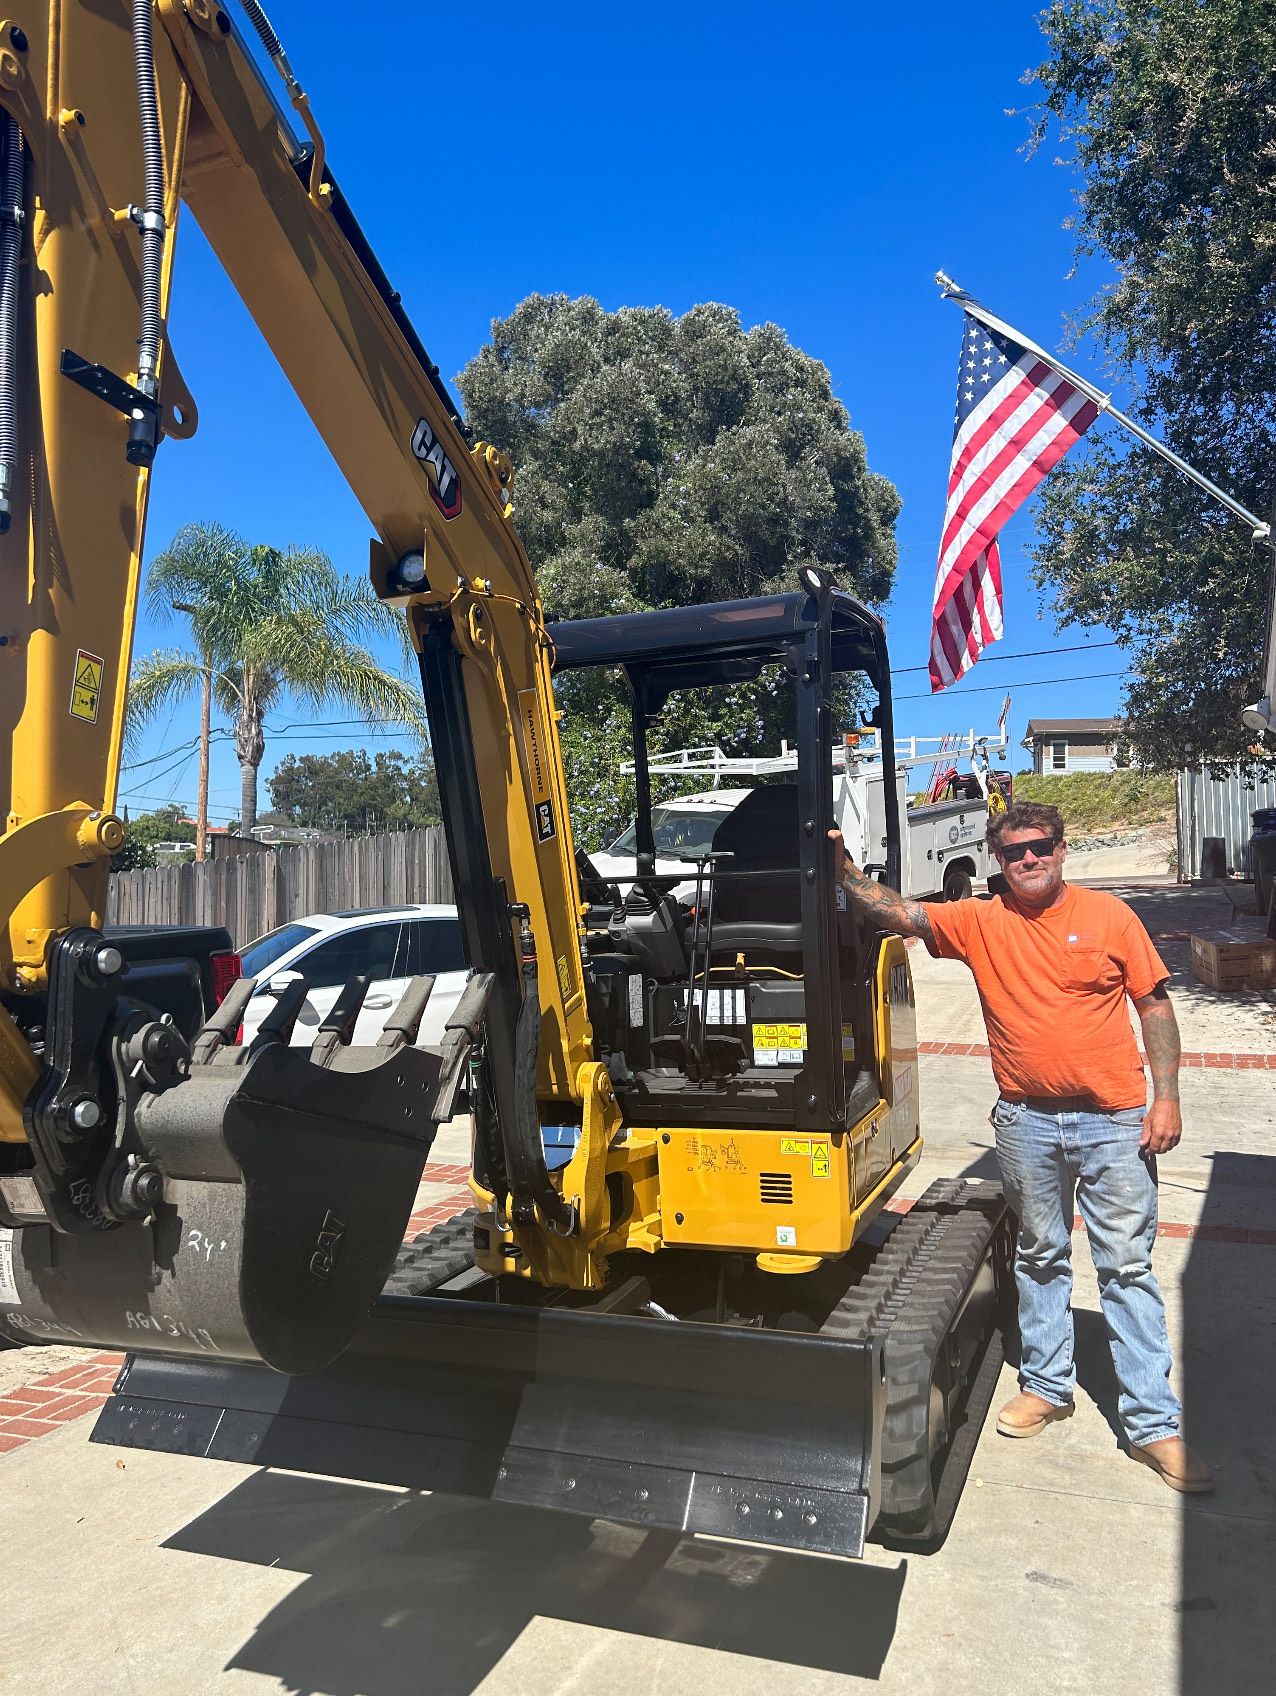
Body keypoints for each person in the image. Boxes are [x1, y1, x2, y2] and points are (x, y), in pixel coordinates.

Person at [829, 799, 1212, 1494]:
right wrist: (842, 870)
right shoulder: (981, 921)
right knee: (1040, 1255)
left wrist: (1168, 1097)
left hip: (1115, 1120)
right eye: (1013, 853)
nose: (1028, 860)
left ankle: (1154, 1426)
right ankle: (1047, 1386)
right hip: (1027, 1122)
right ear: (997, 860)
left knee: (1125, 1267)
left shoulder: (1110, 917)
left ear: (1063, 850)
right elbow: (898, 915)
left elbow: (1153, 1005)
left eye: (1040, 848)